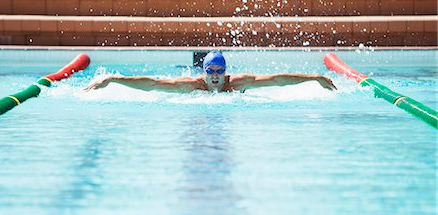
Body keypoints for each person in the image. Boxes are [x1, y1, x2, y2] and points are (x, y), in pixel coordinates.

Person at [85, 51, 337, 93]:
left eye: (220, 70)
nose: (215, 75)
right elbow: (153, 84)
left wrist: (315, 77)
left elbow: (277, 81)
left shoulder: (237, 83)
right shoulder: (192, 85)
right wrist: (113, 79)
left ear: (226, 71)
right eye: (210, 70)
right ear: (203, 71)